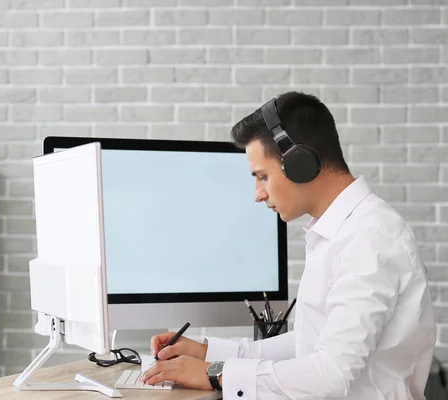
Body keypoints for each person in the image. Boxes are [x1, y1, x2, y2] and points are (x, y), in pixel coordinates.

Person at [139, 91, 436, 399]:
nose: (258, 194)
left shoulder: (370, 238)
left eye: (262, 177)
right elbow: (309, 342)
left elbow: (331, 373)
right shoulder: (342, 232)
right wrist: (208, 352)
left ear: (299, 163)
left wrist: (217, 375)